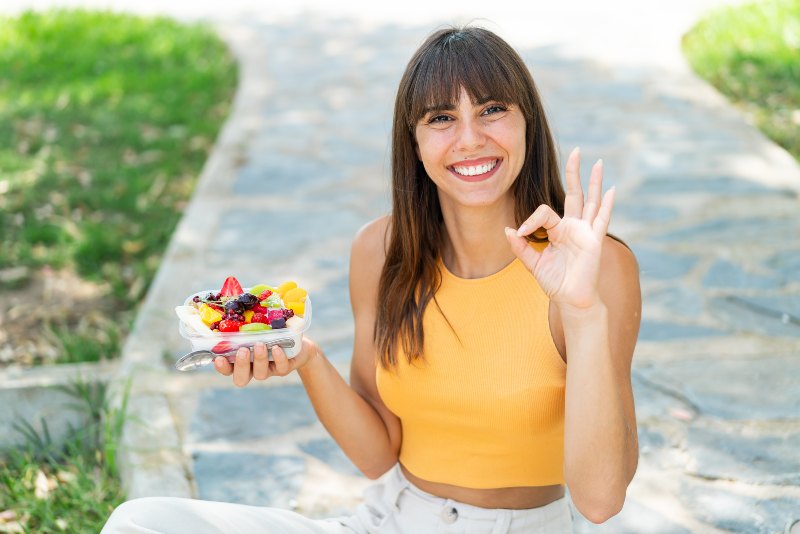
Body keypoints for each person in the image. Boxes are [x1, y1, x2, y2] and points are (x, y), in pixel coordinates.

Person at [102, 24, 641, 534]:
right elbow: (379, 452)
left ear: (529, 122)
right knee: (139, 522)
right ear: (414, 142)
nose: (470, 139)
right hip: (389, 518)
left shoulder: (592, 267)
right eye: (440, 118)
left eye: (493, 109)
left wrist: (584, 313)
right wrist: (305, 357)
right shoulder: (381, 252)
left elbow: (599, 502)